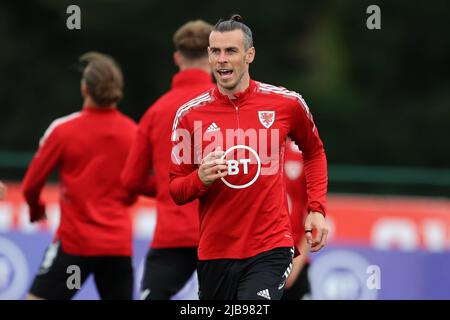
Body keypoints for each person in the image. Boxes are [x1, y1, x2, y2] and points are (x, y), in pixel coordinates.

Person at [169, 14, 328, 300]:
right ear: (208, 55)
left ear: (250, 55)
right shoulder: (189, 115)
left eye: (231, 51)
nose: (222, 59)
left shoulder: (287, 104)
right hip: (215, 251)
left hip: (270, 247)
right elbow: (177, 190)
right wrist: (199, 178)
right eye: (215, 51)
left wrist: (316, 208)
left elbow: (314, 151)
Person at [22, 52, 143, 300]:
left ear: (84, 88)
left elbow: (31, 185)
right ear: (117, 90)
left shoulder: (63, 131)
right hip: (117, 245)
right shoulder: (134, 133)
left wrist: (37, 209)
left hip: (75, 244)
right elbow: (135, 187)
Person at [121, 20, 214, 300]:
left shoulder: (155, 111)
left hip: (171, 235)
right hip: (218, 233)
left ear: (177, 57)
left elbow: (131, 180)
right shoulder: (227, 105)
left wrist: (166, 186)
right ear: (212, 55)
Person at [282, 140, 312, 300]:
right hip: (255, 259)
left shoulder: (302, 153)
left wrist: (297, 263)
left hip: (292, 256)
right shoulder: (248, 149)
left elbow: (314, 215)